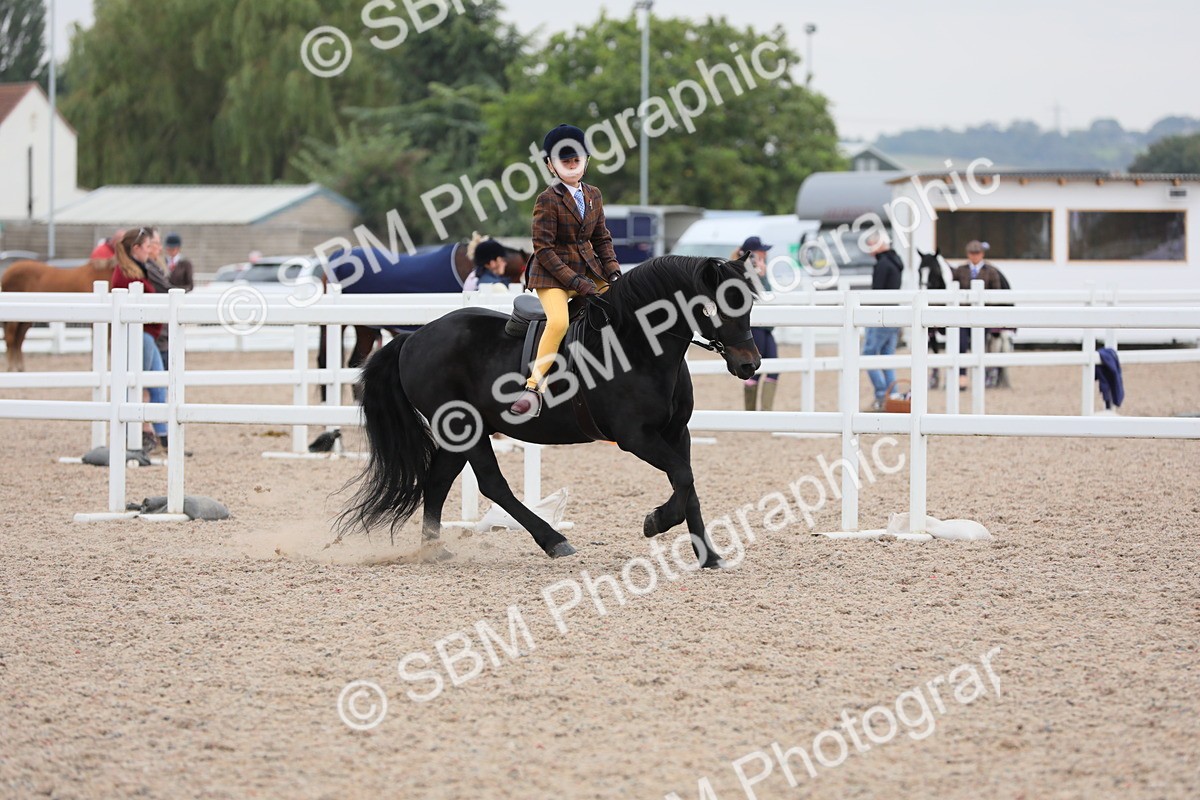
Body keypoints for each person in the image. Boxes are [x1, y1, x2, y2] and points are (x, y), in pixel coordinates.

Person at [510, 124, 623, 417]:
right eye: (565, 160)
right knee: (559, 322)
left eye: (577, 159)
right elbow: (543, 249)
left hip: (588, 269)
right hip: (551, 274)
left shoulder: (594, 195)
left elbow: (602, 238)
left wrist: (612, 272)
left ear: (586, 161)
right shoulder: (547, 200)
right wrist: (576, 281)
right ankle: (533, 387)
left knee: (622, 306)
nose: (572, 164)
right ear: (551, 165)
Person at [111, 227, 169, 452]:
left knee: (156, 385)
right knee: (137, 384)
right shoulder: (129, 274)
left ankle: (162, 435)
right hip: (140, 335)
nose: (149, 251)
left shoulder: (136, 270)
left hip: (147, 335)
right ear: (136, 248)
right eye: (146, 247)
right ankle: (134, 433)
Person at [951, 240, 1006, 390]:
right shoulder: (960, 270)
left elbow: (996, 293)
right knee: (961, 344)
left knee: (980, 344)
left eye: (977, 253)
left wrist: (987, 308)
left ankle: (982, 375)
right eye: (972, 253)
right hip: (963, 315)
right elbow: (953, 290)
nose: (974, 256)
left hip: (982, 315)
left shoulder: (991, 271)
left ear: (982, 254)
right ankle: (962, 375)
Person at [735, 236, 779, 411]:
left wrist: (762, 275)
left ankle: (766, 412)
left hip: (766, 326)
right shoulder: (742, 271)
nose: (765, 254)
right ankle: (751, 413)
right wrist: (760, 276)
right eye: (761, 251)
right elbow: (759, 295)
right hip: (754, 326)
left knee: (774, 368)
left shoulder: (758, 270)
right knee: (754, 368)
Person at [863, 232, 903, 410]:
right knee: (887, 357)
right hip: (894, 314)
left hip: (880, 315)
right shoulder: (895, 262)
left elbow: (876, 293)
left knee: (868, 356)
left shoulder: (882, 265)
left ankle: (882, 394)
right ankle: (893, 394)